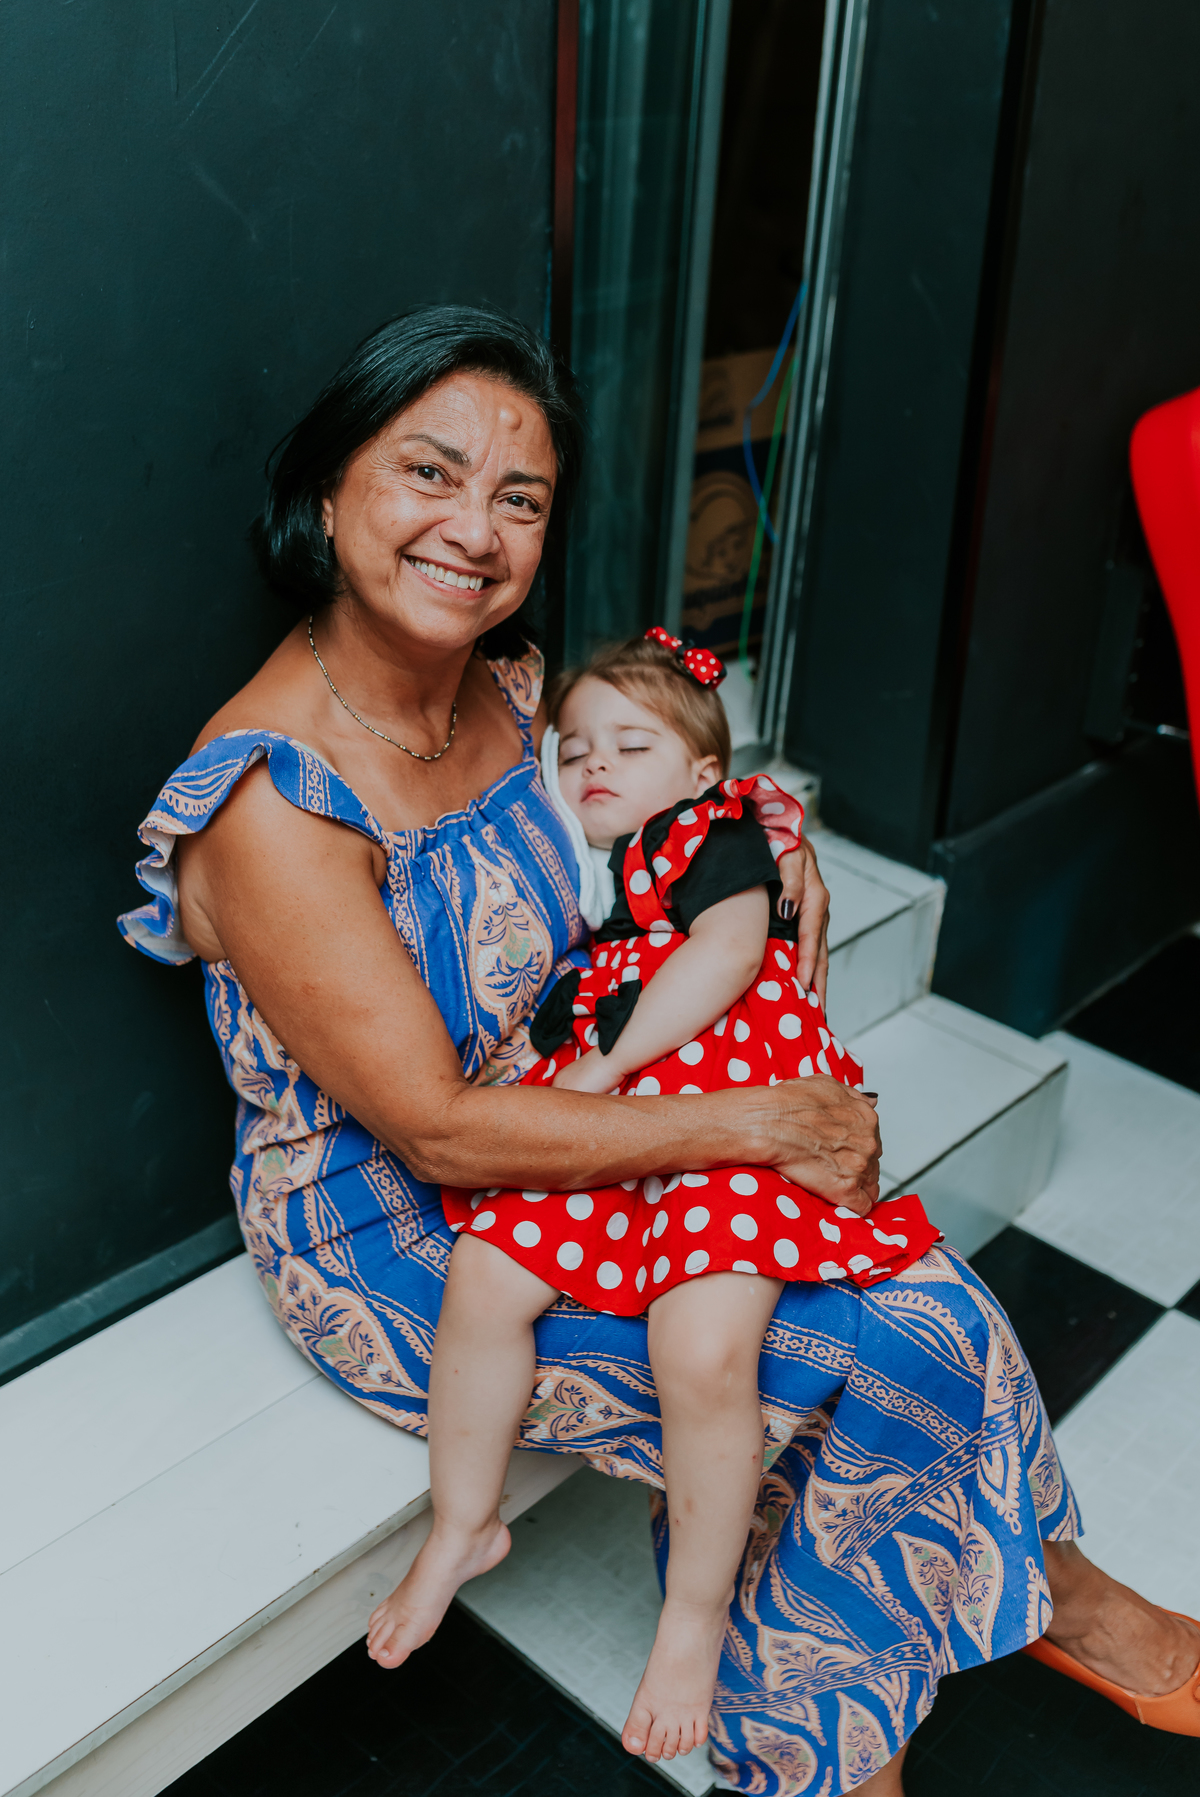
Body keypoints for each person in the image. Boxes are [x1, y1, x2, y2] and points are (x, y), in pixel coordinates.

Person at [117, 305, 1200, 1793]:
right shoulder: (271, 803)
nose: (474, 530)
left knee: (928, 1306)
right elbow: (435, 1129)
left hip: (572, 1109)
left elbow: (646, 808)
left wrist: (757, 839)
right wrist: (754, 1122)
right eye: (428, 472)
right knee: (859, 1353)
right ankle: (838, 1738)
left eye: (519, 498)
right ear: (325, 492)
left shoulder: (503, 683)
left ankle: (1050, 1610)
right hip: (406, 1226)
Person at [367, 628, 942, 1762]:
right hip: (629, 1129)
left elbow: (726, 955)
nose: (596, 764)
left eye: (632, 746)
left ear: (703, 772)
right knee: (486, 1273)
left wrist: (605, 1066)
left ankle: (693, 1615)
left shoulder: (713, 833)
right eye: (577, 748)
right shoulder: (595, 880)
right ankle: (464, 1522)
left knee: (702, 1346)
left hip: (725, 1112)